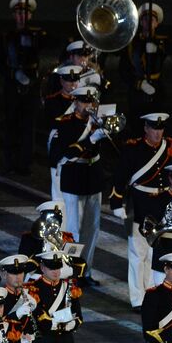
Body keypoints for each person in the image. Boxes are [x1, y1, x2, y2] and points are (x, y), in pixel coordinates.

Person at [112, 113, 172, 307]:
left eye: (160, 129)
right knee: (138, 254)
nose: (158, 134)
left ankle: (151, 294)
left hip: (163, 205)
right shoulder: (133, 148)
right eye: (154, 129)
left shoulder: (170, 146)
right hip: (139, 204)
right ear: (146, 129)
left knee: (156, 254)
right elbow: (120, 175)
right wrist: (117, 203)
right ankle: (138, 299)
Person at [48, 84, 107, 280]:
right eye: (83, 101)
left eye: (90, 101)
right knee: (74, 228)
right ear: (75, 102)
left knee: (92, 227)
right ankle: (72, 272)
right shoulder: (65, 123)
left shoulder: (97, 121)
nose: (87, 105)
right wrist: (91, 140)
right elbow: (65, 153)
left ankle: (86, 271)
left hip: (94, 176)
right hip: (74, 176)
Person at [0, 0, 44, 175]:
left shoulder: (36, 35)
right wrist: (13, 74)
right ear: (14, 16)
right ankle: (10, 162)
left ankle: (24, 163)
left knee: (28, 125)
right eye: (18, 13)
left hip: (30, 84)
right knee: (11, 124)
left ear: (30, 16)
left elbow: (49, 43)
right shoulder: (7, 37)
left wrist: (32, 36)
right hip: (13, 84)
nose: (22, 17)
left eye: (25, 13)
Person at [120, 2, 169, 113]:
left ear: (157, 23)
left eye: (152, 20)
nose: (149, 22)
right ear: (141, 22)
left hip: (157, 89)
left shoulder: (163, 43)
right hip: (137, 91)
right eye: (146, 19)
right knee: (137, 122)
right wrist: (139, 83)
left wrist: (157, 48)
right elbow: (123, 70)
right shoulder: (131, 44)